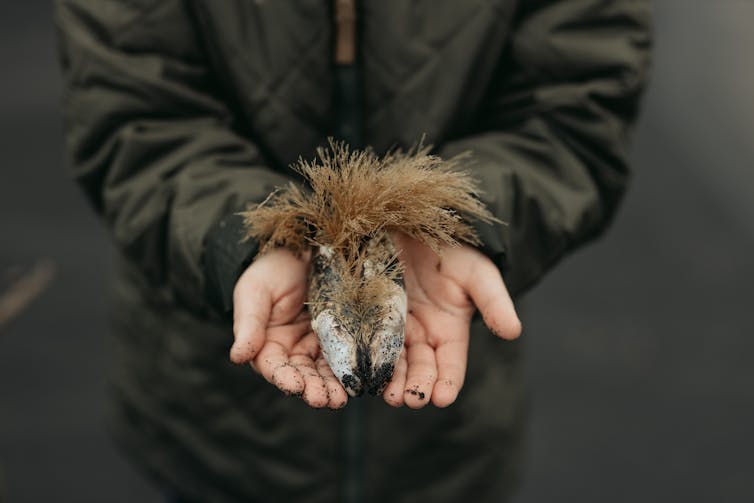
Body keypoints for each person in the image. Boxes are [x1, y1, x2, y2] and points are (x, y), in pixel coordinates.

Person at [55, 1, 651, 501]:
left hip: (448, 438)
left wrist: (460, 219)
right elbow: (133, 113)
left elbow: (578, 103)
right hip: (210, 414)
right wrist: (241, 238)